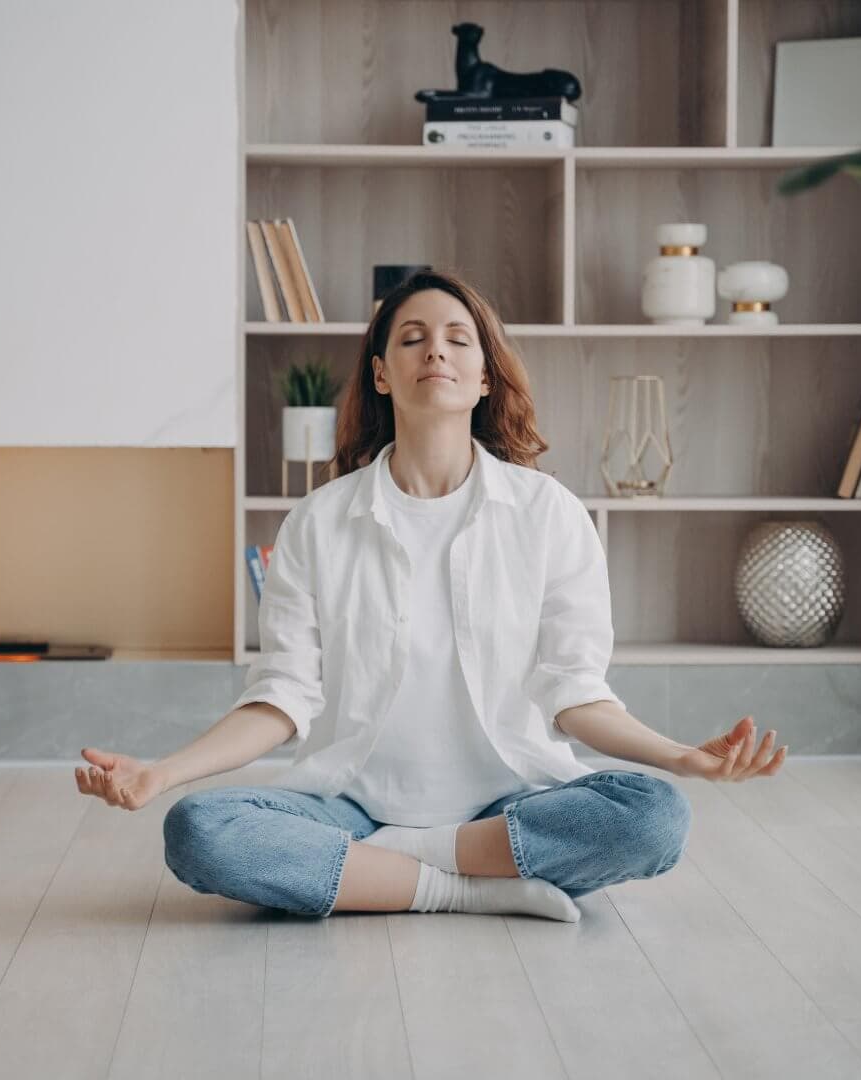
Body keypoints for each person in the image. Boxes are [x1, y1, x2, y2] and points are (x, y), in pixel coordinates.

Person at [75, 270, 786, 922]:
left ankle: (394, 867)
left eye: (457, 339)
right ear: (382, 374)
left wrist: (681, 758)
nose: (435, 351)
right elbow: (280, 698)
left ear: (484, 377)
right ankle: (469, 888)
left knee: (655, 815)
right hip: (350, 808)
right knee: (201, 830)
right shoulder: (318, 522)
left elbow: (575, 694)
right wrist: (162, 772)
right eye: (412, 338)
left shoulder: (549, 513)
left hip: (510, 806)